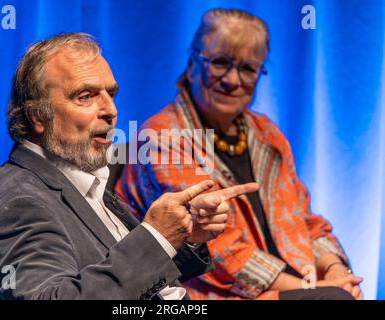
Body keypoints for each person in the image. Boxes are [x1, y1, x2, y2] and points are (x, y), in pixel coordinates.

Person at [0, 32, 259, 300]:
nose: (111, 110)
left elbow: (126, 279)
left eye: (110, 94)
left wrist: (184, 235)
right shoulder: (23, 202)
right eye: (85, 96)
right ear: (38, 116)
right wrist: (157, 237)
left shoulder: (77, 174)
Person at [115, 9, 362, 300]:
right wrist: (316, 289)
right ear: (193, 64)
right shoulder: (163, 136)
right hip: (201, 293)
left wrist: (336, 271)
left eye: (247, 68)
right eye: (220, 63)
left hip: (290, 285)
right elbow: (219, 253)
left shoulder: (266, 132)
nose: (233, 80)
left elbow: (304, 221)